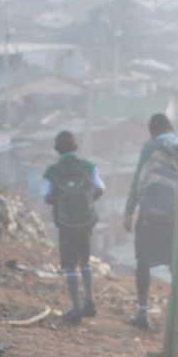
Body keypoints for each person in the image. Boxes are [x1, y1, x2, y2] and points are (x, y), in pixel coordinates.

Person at [124, 113, 178, 331]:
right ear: (170, 127)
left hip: (150, 216)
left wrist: (129, 211)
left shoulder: (151, 147)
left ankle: (142, 313)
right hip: (176, 217)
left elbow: (140, 178)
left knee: (143, 263)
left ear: (153, 130)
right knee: (177, 267)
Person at [43, 130, 105, 325]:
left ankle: (76, 308)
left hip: (66, 223)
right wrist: (88, 202)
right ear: (76, 147)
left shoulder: (51, 172)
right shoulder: (89, 167)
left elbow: (47, 197)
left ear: (56, 150)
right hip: (86, 220)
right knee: (85, 261)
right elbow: (100, 188)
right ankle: (90, 302)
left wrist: (61, 201)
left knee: (69, 265)